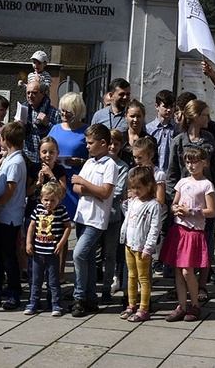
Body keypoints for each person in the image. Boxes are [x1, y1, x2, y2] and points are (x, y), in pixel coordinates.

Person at [166, 99, 215, 300]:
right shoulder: (179, 140)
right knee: (182, 243)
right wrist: (174, 200)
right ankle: (180, 285)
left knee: (205, 241)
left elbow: (214, 170)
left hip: (204, 198)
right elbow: (171, 171)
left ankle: (202, 286)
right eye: (205, 114)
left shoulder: (209, 138)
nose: (209, 118)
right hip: (184, 200)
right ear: (196, 117)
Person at [162, 148, 215, 322]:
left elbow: (211, 211)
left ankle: (195, 304)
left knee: (187, 271)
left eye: (195, 161)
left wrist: (191, 211)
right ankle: (182, 305)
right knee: (178, 270)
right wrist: (175, 208)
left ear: (204, 163)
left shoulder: (206, 185)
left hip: (194, 232)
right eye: (188, 162)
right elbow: (174, 203)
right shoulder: (182, 182)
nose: (191, 165)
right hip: (179, 230)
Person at [70, 124, 118, 317]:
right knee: (88, 258)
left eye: (90, 143)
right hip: (82, 216)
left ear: (103, 143)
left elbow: (106, 193)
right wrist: (91, 190)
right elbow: (75, 187)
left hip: (96, 219)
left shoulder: (110, 165)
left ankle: (79, 297)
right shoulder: (89, 163)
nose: (87, 147)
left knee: (78, 255)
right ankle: (90, 298)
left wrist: (85, 184)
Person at [48, 92, 88, 280]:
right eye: (62, 109)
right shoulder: (55, 129)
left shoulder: (85, 131)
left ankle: (71, 271)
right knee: (56, 226)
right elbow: (46, 150)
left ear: (77, 111)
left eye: (68, 111)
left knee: (72, 227)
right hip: (56, 182)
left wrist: (81, 161)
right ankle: (56, 271)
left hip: (75, 184)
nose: (64, 113)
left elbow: (94, 157)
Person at [0, 121, 27, 310]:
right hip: (2, 215)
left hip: (8, 215)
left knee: (7, 256)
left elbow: (10, 190)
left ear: (5, 139)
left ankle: (12, 292)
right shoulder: (10, 159)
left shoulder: (16, 162)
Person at [119, 167, 162, 322]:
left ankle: (144, 308)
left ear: (149, 186)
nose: (135, 191)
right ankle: (131, 305)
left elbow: (155, 228)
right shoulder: (133, 201)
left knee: (143, 278)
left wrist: (149, 247)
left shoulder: (153, 205)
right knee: (131, 276)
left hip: (142, 247)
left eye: (139, 188)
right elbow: (128, 215)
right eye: (133, 188)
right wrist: (126, 201)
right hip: (129, 244)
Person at [25, 181, 71, 317]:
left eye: (52, 200)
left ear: (59, 199)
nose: (48, 203)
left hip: (52, 252)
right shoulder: (38, 209)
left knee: (53, 281)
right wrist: (28, 243)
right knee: (36, 280)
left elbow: (68, 227)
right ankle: (33, 302)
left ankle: (56, 304)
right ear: (41, 199)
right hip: (38, 252)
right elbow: (31, 226)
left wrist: (61, 243)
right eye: (46, 200)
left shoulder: (61, 210)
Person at [104, 129, 129, 300]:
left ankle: (114, 277)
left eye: (117, 144)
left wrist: (98, 190)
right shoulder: (97, 162)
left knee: (112, 250)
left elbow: (118, 190)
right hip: (97, 213)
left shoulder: (122, 167)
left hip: (113, 214)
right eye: (110, 143)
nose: (113, 146)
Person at [20, 79, 61, 165]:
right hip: (26, 159)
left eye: (34, 93)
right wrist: (17, 126)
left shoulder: (54, 113)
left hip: (45, 161)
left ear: (42, 93)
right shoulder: (22, 110)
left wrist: (47, 124)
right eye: (28, 93)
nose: (30, 96)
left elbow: (59, 137)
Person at [145, 89, 176, 171]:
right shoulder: (148, 129)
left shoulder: (178, 129)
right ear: (157, 106)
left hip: (171, 175)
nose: (169, 110)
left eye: (172, 106)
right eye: (165, 106)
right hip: (152, 174)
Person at [119, 99, 155, 168]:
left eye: (138, 116)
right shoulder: (120, 138)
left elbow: (153, 163)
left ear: (143, 116)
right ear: (126, 116)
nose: (135, 120)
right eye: (132, 116)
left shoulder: (150, 140)